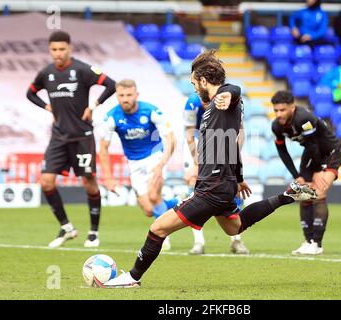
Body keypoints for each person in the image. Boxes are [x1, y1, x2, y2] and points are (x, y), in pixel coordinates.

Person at [100, 50, 317, 288]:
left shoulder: (223, 100)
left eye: (194, 82)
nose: (193, 87)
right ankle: (287, 195)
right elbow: (231, 145)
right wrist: (239, 178)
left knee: (158, 228)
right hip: (221, 183)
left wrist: (226, 93)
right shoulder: (213, 107)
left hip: (211, 187)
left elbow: (233, 90)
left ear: (204, 81)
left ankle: (132, 278)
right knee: (235, 226)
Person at [26, 31, 116, 248]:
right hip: (58, 137)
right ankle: (66, 227)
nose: (58, 53)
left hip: (82, 137)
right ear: (50, 50)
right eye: (54, 50)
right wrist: (47, 106)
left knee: (89, 184)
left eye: (62, 49)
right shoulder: (46, 73)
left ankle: (93, 232)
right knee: (46, 182)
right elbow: (30, 93)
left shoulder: (82, 69)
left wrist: (93, 105)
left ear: (70, 49)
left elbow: (111, 85)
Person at [99, 79, 178, 251]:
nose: (125, 99)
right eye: (121, 95)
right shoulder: (112, 117)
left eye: (129, 95)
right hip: (134, 163)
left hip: (155, 156)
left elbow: (171, 139)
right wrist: (108, 177)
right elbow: (103, 147)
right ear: (117, 96)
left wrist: (161, 165)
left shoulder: (151, 111)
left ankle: (162, 236)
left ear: (136, 95)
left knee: (153, 195)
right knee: (149, 209)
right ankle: (180, 202)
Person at [271, 91, 341, 255]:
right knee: (303, 194)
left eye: (282, 110)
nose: (279, 114)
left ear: (292, 107)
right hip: (311, 152)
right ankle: (308, 241)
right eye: (276, 110)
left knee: (318, 193)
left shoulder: (304, 118)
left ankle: (317, 244)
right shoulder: (276, 126)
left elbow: (314, 145)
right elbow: (283, 152)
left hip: (330, 151)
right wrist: (297, 175)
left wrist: (319, 170)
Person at [184, 92, 249, 255]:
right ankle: (198, 242)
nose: (207, 105)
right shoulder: (191, 103)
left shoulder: (229, 100)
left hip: (224, 142)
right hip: (199, 143)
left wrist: (233, 158)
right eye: (204, 102)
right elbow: (190, 133)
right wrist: (196, 163)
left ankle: (237, 240)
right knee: (194, 187)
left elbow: (240, 133)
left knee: (233, 187)